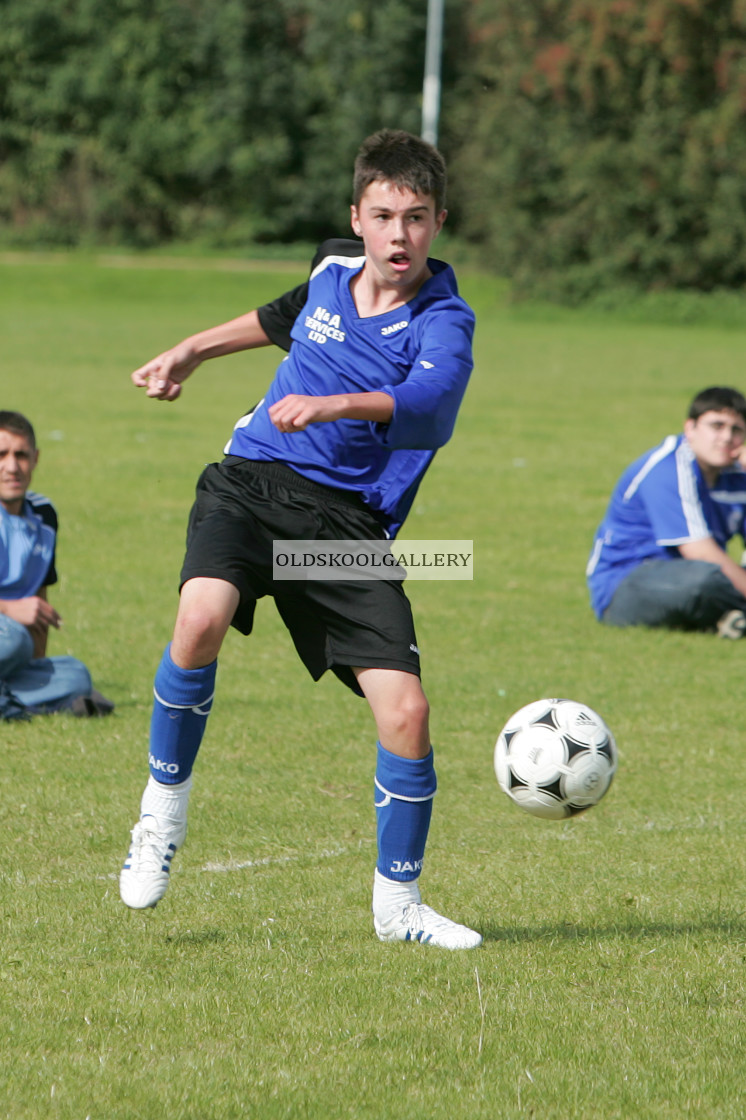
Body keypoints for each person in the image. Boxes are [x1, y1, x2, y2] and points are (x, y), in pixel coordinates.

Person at [118, 129, 482, 950]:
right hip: (249, 484)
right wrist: (191, 351)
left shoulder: (444, 321)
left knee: (408, 712)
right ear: (356, 217)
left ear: (439, 223)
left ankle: (399, 909)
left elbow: (433, 408)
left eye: (417, 218)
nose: (399, 235)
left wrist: (337, 404)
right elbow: (282, 317)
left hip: (344, 526)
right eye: (384, 215)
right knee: (200, 618)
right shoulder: (328, 271)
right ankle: (160, 816)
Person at [586, 386, 746, 636]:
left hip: (699, 573)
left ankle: (730, 620)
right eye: (716, 426)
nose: (726, 437)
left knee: (711, 579)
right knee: (703, 582)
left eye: (736, 429)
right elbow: (699, 552)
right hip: (629, 584)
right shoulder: (668, 467)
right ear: (690, 428)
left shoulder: (738, 473)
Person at [0, 410, 115, 718]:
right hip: (8, 636)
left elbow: (39, 598)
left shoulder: (44, 515)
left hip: (12, 649)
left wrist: (36, 668)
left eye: (21, 455)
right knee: (13, 638)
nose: (12, 466)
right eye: (2, 454)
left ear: (35, 459)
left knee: (75, 675)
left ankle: (9, 700)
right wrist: (9, 609)